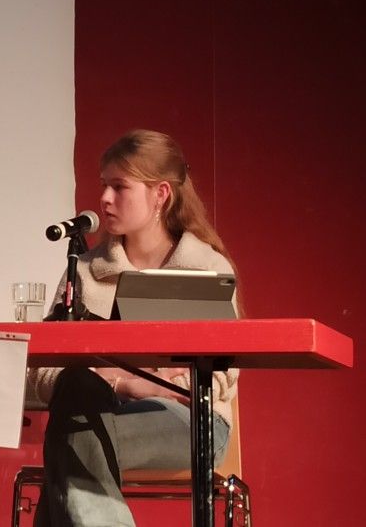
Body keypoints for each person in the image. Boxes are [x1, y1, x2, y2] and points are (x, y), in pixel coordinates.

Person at [29, 129, 240, 526]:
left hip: (192, 422)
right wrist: (127, 383)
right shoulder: (86, 270)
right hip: (97, 412)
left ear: (161, 194)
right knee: (76, 402)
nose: (105, 198)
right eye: (103, 185)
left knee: (68, 438)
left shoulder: (204, 268)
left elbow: (223, 372)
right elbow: (42, 373)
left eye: (120, 186)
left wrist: (152, 385)